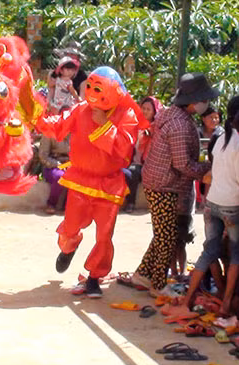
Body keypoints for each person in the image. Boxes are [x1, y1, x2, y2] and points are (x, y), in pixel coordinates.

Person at [36, 67, 143, 298]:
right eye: (91, 87)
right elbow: (56, 126)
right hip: (80, 181)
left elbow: (123, 152)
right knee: (70, 228)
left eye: (98, 88)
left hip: (109, 185)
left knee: (104, 236)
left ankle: (94, 277)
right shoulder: (80, 110)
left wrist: (104, 123)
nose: (93, 93)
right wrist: (36, 115)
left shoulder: (127, 115)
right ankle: (69, 247)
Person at [132, 73, 218, 291]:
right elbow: (183, 164)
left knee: (163, 232)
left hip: (158, 180)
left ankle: (143, 274)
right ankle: (158, 285)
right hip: (164, 184)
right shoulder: (180, 125)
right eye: (203, 100)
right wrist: (210, 169)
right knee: (167, 238)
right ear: (193, 102)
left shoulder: (171, 114)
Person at [182, 104, 239, 314]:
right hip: (232, 203)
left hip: (213, 201)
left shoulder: (222, 137)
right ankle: (226, 300)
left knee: (210, 250)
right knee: (237, 253)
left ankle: (187, 300)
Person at [122, 96, 161, 213]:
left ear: (154, 111)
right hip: (135, 163)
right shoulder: (134, 124)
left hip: (151, 164)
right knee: (129, 172)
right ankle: (129, 202)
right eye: (143, 108)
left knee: (136, 172)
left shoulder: (158, 128)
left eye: (148, 109)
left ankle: (132, 203)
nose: (145, 111)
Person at [38, 116, 70, 214]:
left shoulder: (77, 132)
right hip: (52, 165)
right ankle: (51, 203)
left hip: (71, 164)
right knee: (59, 177)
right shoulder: (49, 133)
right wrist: (59, 165)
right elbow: (43, 156)